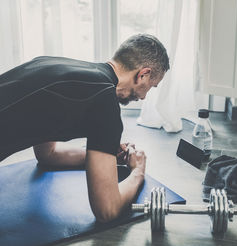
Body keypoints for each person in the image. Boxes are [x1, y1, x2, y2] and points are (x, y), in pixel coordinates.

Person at [0, 34, 169, 222]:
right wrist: (138, 171)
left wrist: (109, 157)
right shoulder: (104, 101)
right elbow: (107, 209)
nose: (144, 97)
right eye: (151, 87)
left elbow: (48, 154)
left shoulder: (54, 64)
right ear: (142, 74)